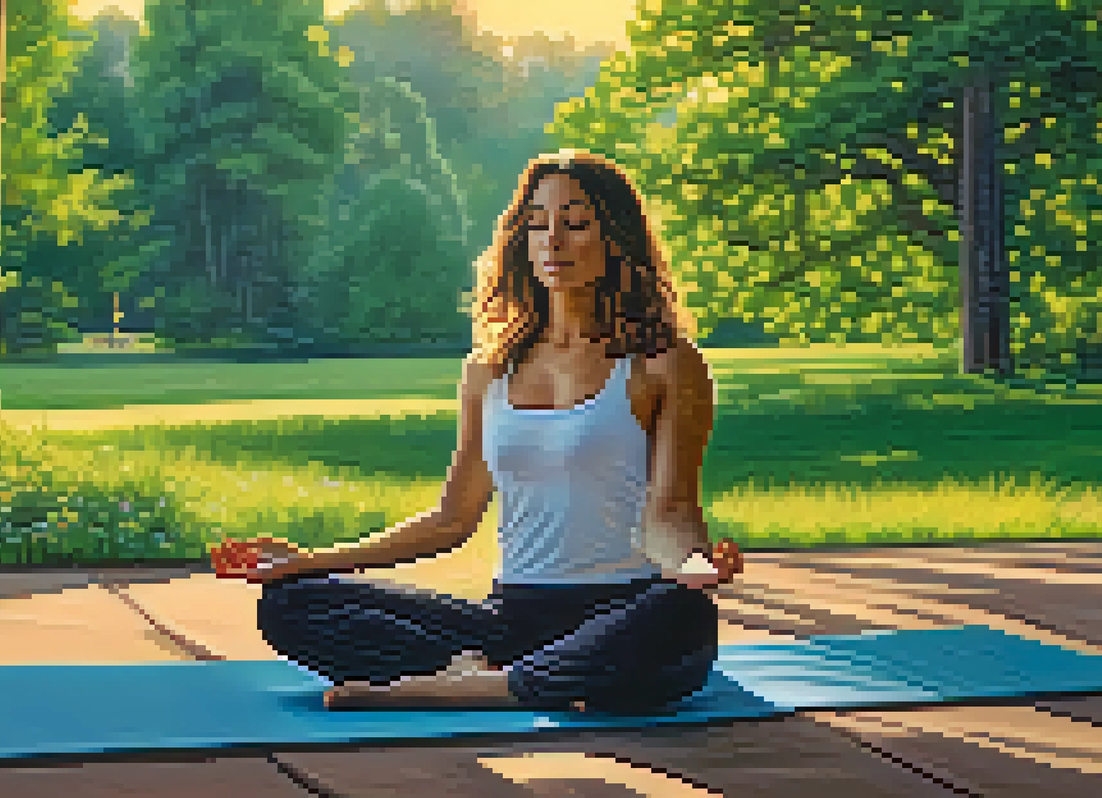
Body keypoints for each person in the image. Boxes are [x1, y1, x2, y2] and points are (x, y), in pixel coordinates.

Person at [210, 148, 745, 714]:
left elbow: (670, 512)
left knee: (682, 615)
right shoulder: (489, 369)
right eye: (537, 224)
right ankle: (510, 677)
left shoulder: (663, 363)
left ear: (616, 236)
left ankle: (480, 686)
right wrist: (308, 562)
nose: (552, 241)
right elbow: (453, 518)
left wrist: (695, 567)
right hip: (510, 621)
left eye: (576, 223)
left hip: (625, 613)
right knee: (291, 605)